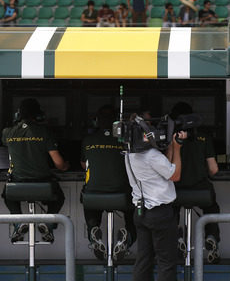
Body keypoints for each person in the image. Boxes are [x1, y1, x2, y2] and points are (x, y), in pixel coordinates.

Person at [124, 116, 188, 281]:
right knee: (166, 264)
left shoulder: (129, 155)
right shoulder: (151, 156)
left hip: (141, 212)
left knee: (143, 262)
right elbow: (175, 174)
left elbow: (165, 167)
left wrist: (169, 146)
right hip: (160, 213)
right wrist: (177, 148)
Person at [1, 98, 69, 243]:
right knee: (59, 197)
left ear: (18, 114)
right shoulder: (44, 132)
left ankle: (19, 222)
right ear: (38, 114)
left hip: (17, 184)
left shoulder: (7, 132)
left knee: (8, 196)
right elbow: (59, 164)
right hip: (42, 183)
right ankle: (48, 224)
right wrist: (66, 166)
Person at [80, 105, 136, 261]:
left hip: (93, 194)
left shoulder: (88, 140)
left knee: (90, 207)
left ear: (97, 121)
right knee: (133, 217)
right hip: (121, 194)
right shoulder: (125, 139)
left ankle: (94, 233)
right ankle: (127, 238)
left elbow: (84, 165)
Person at [170, 102, 221, 264]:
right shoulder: (203, 137)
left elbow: (165, 167)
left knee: (170, 209)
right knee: (212, 207)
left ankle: (176, 237)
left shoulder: (171, 137)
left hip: (176, 191)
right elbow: (213, 169)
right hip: (201, 191)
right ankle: (212, 237)